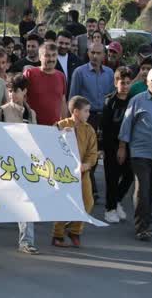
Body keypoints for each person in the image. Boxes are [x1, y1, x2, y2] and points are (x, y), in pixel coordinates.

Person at [118, 67, 152, 241]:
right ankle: (141, 227)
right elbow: (126, 124)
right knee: (142, 190)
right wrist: (122, 147)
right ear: (147, 82)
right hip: (140, 153)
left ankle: (145, 218)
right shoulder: (137, 100)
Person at [0, 75, 39, 254]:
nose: (12, 94)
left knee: (26, 202)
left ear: (25, 92)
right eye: (10, 91)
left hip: (24, 164)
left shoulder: (31, 114)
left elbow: (36, 138)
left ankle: (26, 241)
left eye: (16, 91)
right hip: (4, 163)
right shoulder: (2, 111)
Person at [69, 42, 114, 197]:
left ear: (104, 55)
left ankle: (89, 186)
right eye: (92, 52)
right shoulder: (79, 72)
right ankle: (88, 188)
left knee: (99, 152)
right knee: (86, 152)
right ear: (88, 53)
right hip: (86, 117)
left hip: (105, 117)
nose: (95, 56)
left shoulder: (109, 73)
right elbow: (73, 98)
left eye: (98, 53)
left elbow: (113, 96)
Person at [52, 96, 98, 248]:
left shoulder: (89, 129)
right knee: (64, 203)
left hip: (82, 173)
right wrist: (59, 135)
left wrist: (87, 165)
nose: (88, 114)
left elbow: (93, 153)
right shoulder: (61, 125)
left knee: (88, 202)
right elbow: (48, 143)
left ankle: (74, 231)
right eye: (86, 111)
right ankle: (57, 235)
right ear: (76, 112)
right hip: (64, 174)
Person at [100, 67, 134, 224]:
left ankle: (117, 201)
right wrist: (106, 148)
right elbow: (105, 127)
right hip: (111, 145)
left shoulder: (134, 100)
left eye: (128, 83)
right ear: (115, 82)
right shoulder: (110, 101)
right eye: (122, 82)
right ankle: (110, 209)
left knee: (128, 176)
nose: (125, 86)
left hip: (129, 145)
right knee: (112, 178)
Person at [24, 43, 68, 126]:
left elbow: (63, 102)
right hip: (33, 126)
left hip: (55, 128)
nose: (51, 59)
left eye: (54, 55)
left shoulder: (61, 76)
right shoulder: (29, 74)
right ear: (40, 57)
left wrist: (64, 123)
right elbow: (21, 99)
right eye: (47, 55)